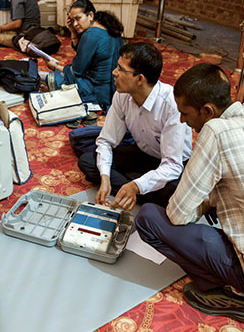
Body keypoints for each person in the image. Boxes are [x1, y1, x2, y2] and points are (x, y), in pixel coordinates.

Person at [135, 63, 244, 323]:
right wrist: (210, 201)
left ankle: (229, 294)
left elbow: (177, 214)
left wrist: (202, 204)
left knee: (149, 217)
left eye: (185, 113)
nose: (183, 121)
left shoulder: (215, 131)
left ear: (207, 111)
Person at [78, 41, 192, 211]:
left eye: (120, 69)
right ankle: (137, 188)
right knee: (88, 161)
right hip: (144, 153)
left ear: (140, 79)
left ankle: (132, 186)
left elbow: (172, 166)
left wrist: (135, 186)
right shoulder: (122, 95)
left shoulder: (171, 104)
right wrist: (105, 178)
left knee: (175, 190)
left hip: (172, 164)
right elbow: (106, 141)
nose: (114, 73)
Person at [43, 0, 123, 127]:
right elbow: (84, 54)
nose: (75, 24)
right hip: (114, 89)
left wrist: (55, 66)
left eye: (78, 18)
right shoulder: (109, 27)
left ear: (90, 15)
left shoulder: (91, 35)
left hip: (98, 91)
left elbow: (77, 70)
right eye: (72, 20)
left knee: (57, 78)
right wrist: (73, 31)